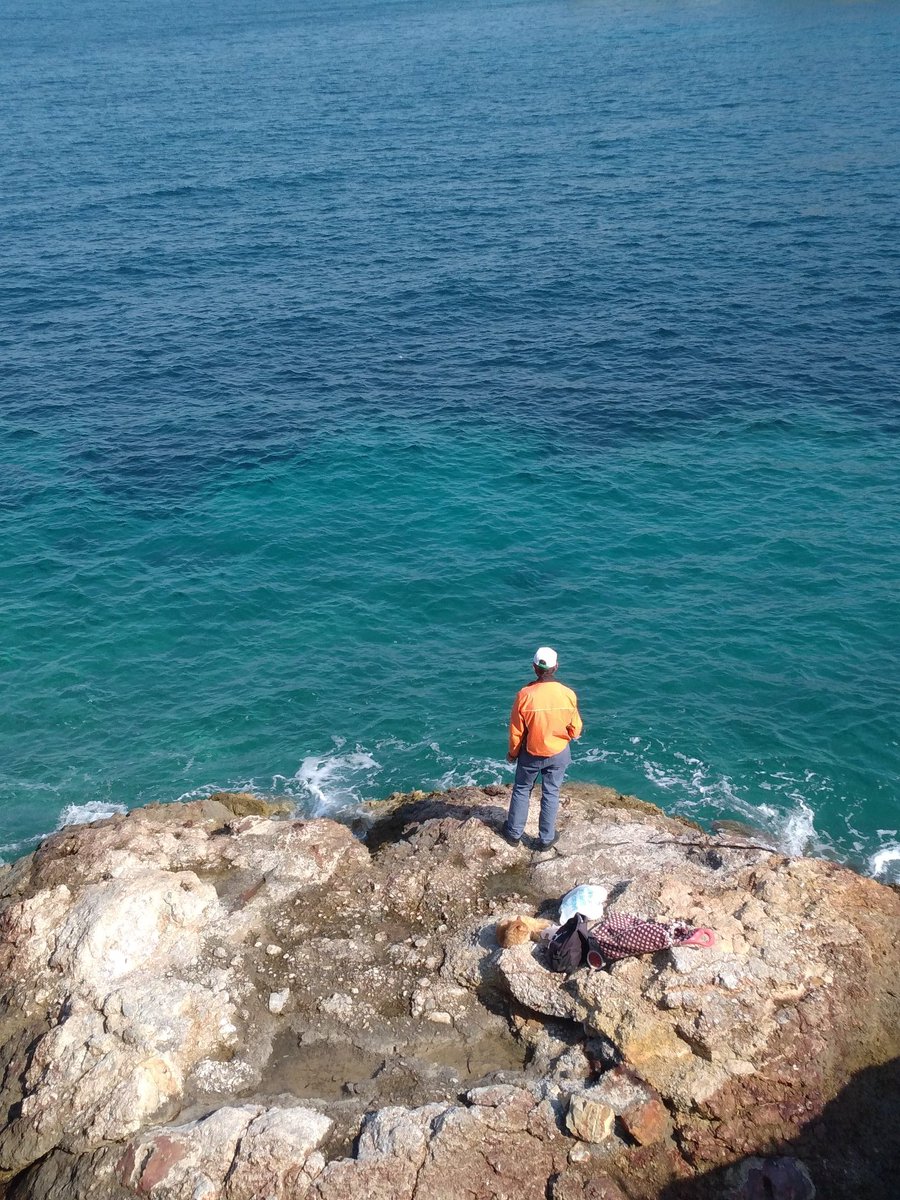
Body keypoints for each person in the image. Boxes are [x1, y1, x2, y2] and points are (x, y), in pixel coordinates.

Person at [502, 646, 582, 850]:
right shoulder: (568, 694)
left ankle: (513, 834)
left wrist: (513, 753)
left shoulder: (524, 695)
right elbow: (576, 728)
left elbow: (516, 731)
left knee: (521, 789)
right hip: (558, 752)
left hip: (531, 752)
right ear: (556, 667)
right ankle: (546, 839)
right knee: (551, 792)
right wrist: (568, 736)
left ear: (534, 668)